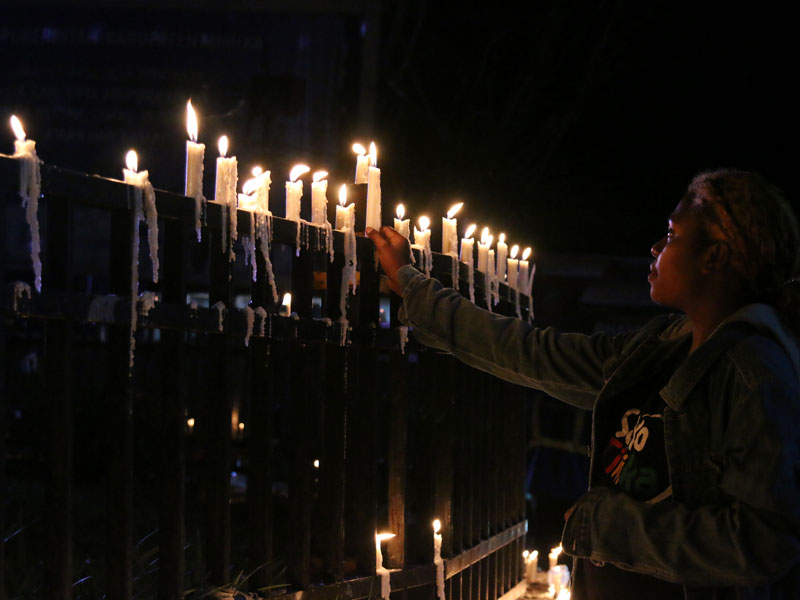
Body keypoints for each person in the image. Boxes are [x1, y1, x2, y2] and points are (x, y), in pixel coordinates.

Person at [366, 169, 800, 599]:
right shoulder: (661, 349)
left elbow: (762, 541)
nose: (655, 247)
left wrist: (608, 525)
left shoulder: (756, 375)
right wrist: (414, 287)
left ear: (715, 257)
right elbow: (533, 352)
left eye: (672, 235)